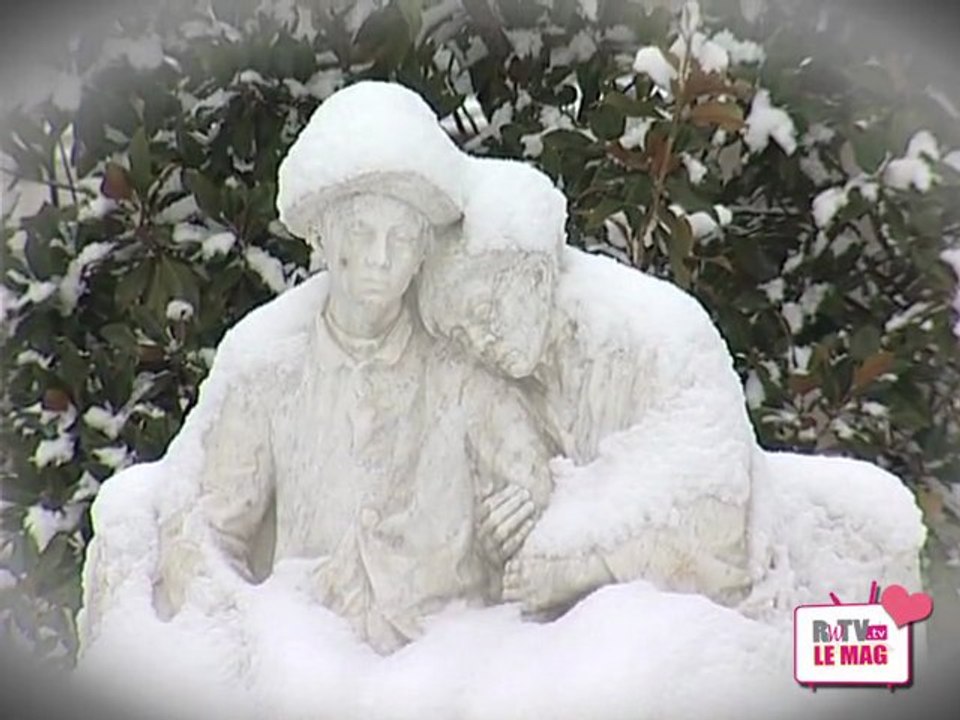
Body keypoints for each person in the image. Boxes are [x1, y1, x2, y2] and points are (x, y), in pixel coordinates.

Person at [154, 82, 554, 654]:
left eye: (400, 238)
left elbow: (530, 483)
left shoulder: (460, 373)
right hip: (312, 668)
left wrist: (521, 512)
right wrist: (244, 635)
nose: (380, 258)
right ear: (322, 237)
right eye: (361, 232)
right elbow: (209, 530)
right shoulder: (269, 369)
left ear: (421, 253)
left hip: (443, 666)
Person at [418, 156, 757, 615]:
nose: (478, 343)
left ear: (534, 279)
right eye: (461, 334)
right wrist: (501, 541)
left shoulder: (655, 334)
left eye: (482, 314)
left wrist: (587, 566)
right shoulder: (509, 377)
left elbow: (717, 510)